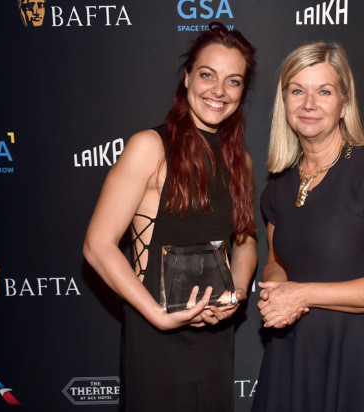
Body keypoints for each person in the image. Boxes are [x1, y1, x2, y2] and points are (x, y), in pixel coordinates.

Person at [83, 22, 257, 412]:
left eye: (233, 81)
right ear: (187, 77)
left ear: (242, 90)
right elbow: (97, 246)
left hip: (216, 332)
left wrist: (238, 293)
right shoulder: (149, 147)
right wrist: (158, 317)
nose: (218, 91)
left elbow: (245, 241)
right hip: (155, 333)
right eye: (207, 75)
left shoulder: (239, 161)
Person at [252, 41, 364, 411]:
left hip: (360, 359)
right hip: (291, 355)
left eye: (324, 91)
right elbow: (276, 261)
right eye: (297, 91)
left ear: (344, 103)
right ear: (284, 103)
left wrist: (302, 295)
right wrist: (279, 292)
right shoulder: (278, 186)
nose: (309, 103)